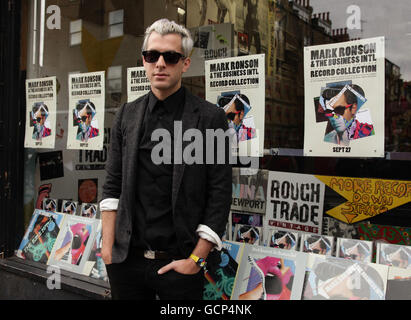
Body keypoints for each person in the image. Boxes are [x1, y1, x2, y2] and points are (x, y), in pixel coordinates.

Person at [100, 18, 232, 300]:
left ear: (185, 63)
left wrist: (196, 260)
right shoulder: (126, 114)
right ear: (144, 61)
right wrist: (108, 248)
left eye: (170, 57)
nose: (160, 63)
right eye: (152, 55)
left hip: (180, 264)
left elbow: (219, 194)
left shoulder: (211, 118)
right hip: (127, 264)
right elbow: (112, 186)